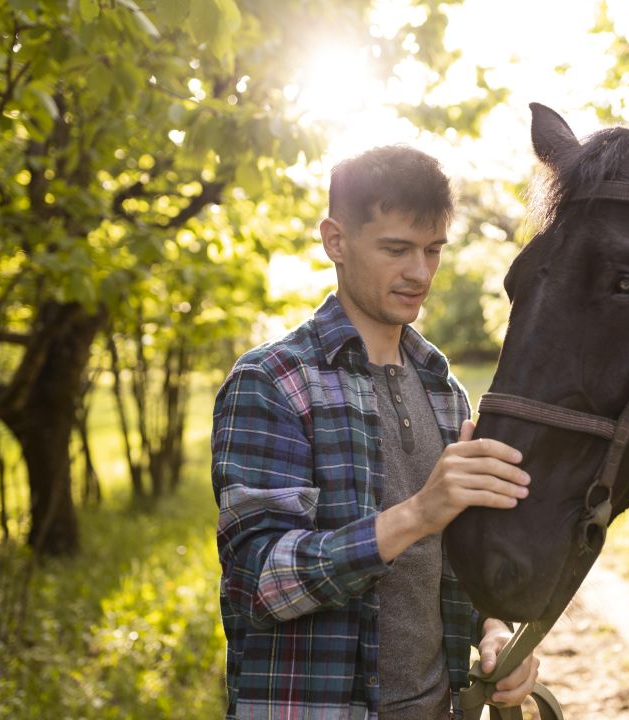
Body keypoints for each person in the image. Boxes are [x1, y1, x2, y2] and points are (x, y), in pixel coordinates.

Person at [211, 145, 540, 719]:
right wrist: (417, 514)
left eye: (433, 250)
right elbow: (258, 581)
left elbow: (452, 563)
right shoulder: (272, 381)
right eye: (396, 249)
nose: (420, 273)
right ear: (335, 240)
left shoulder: (444, 391)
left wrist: (493, 629)